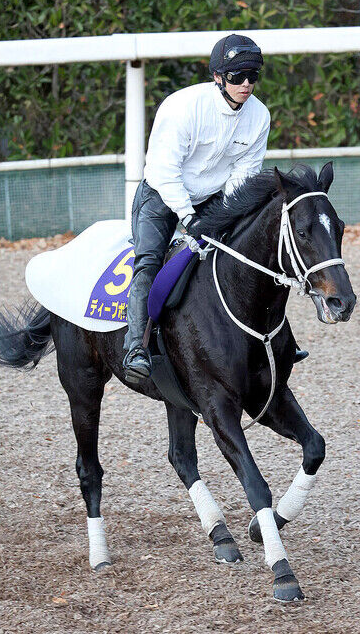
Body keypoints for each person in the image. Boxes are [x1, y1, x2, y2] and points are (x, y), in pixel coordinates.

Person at [123, 34, 307, 383]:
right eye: (237, 76)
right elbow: (164, 171)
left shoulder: (260, 116)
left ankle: (278, 339)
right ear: (218, 77)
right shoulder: (182, 107)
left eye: (253, 75)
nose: (247, 84)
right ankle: (136, 347)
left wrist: (225, 215)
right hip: (162, 194)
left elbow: (243, 176)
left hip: (211, 198)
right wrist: (189, 218)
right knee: (148, 260)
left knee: (250, 252)